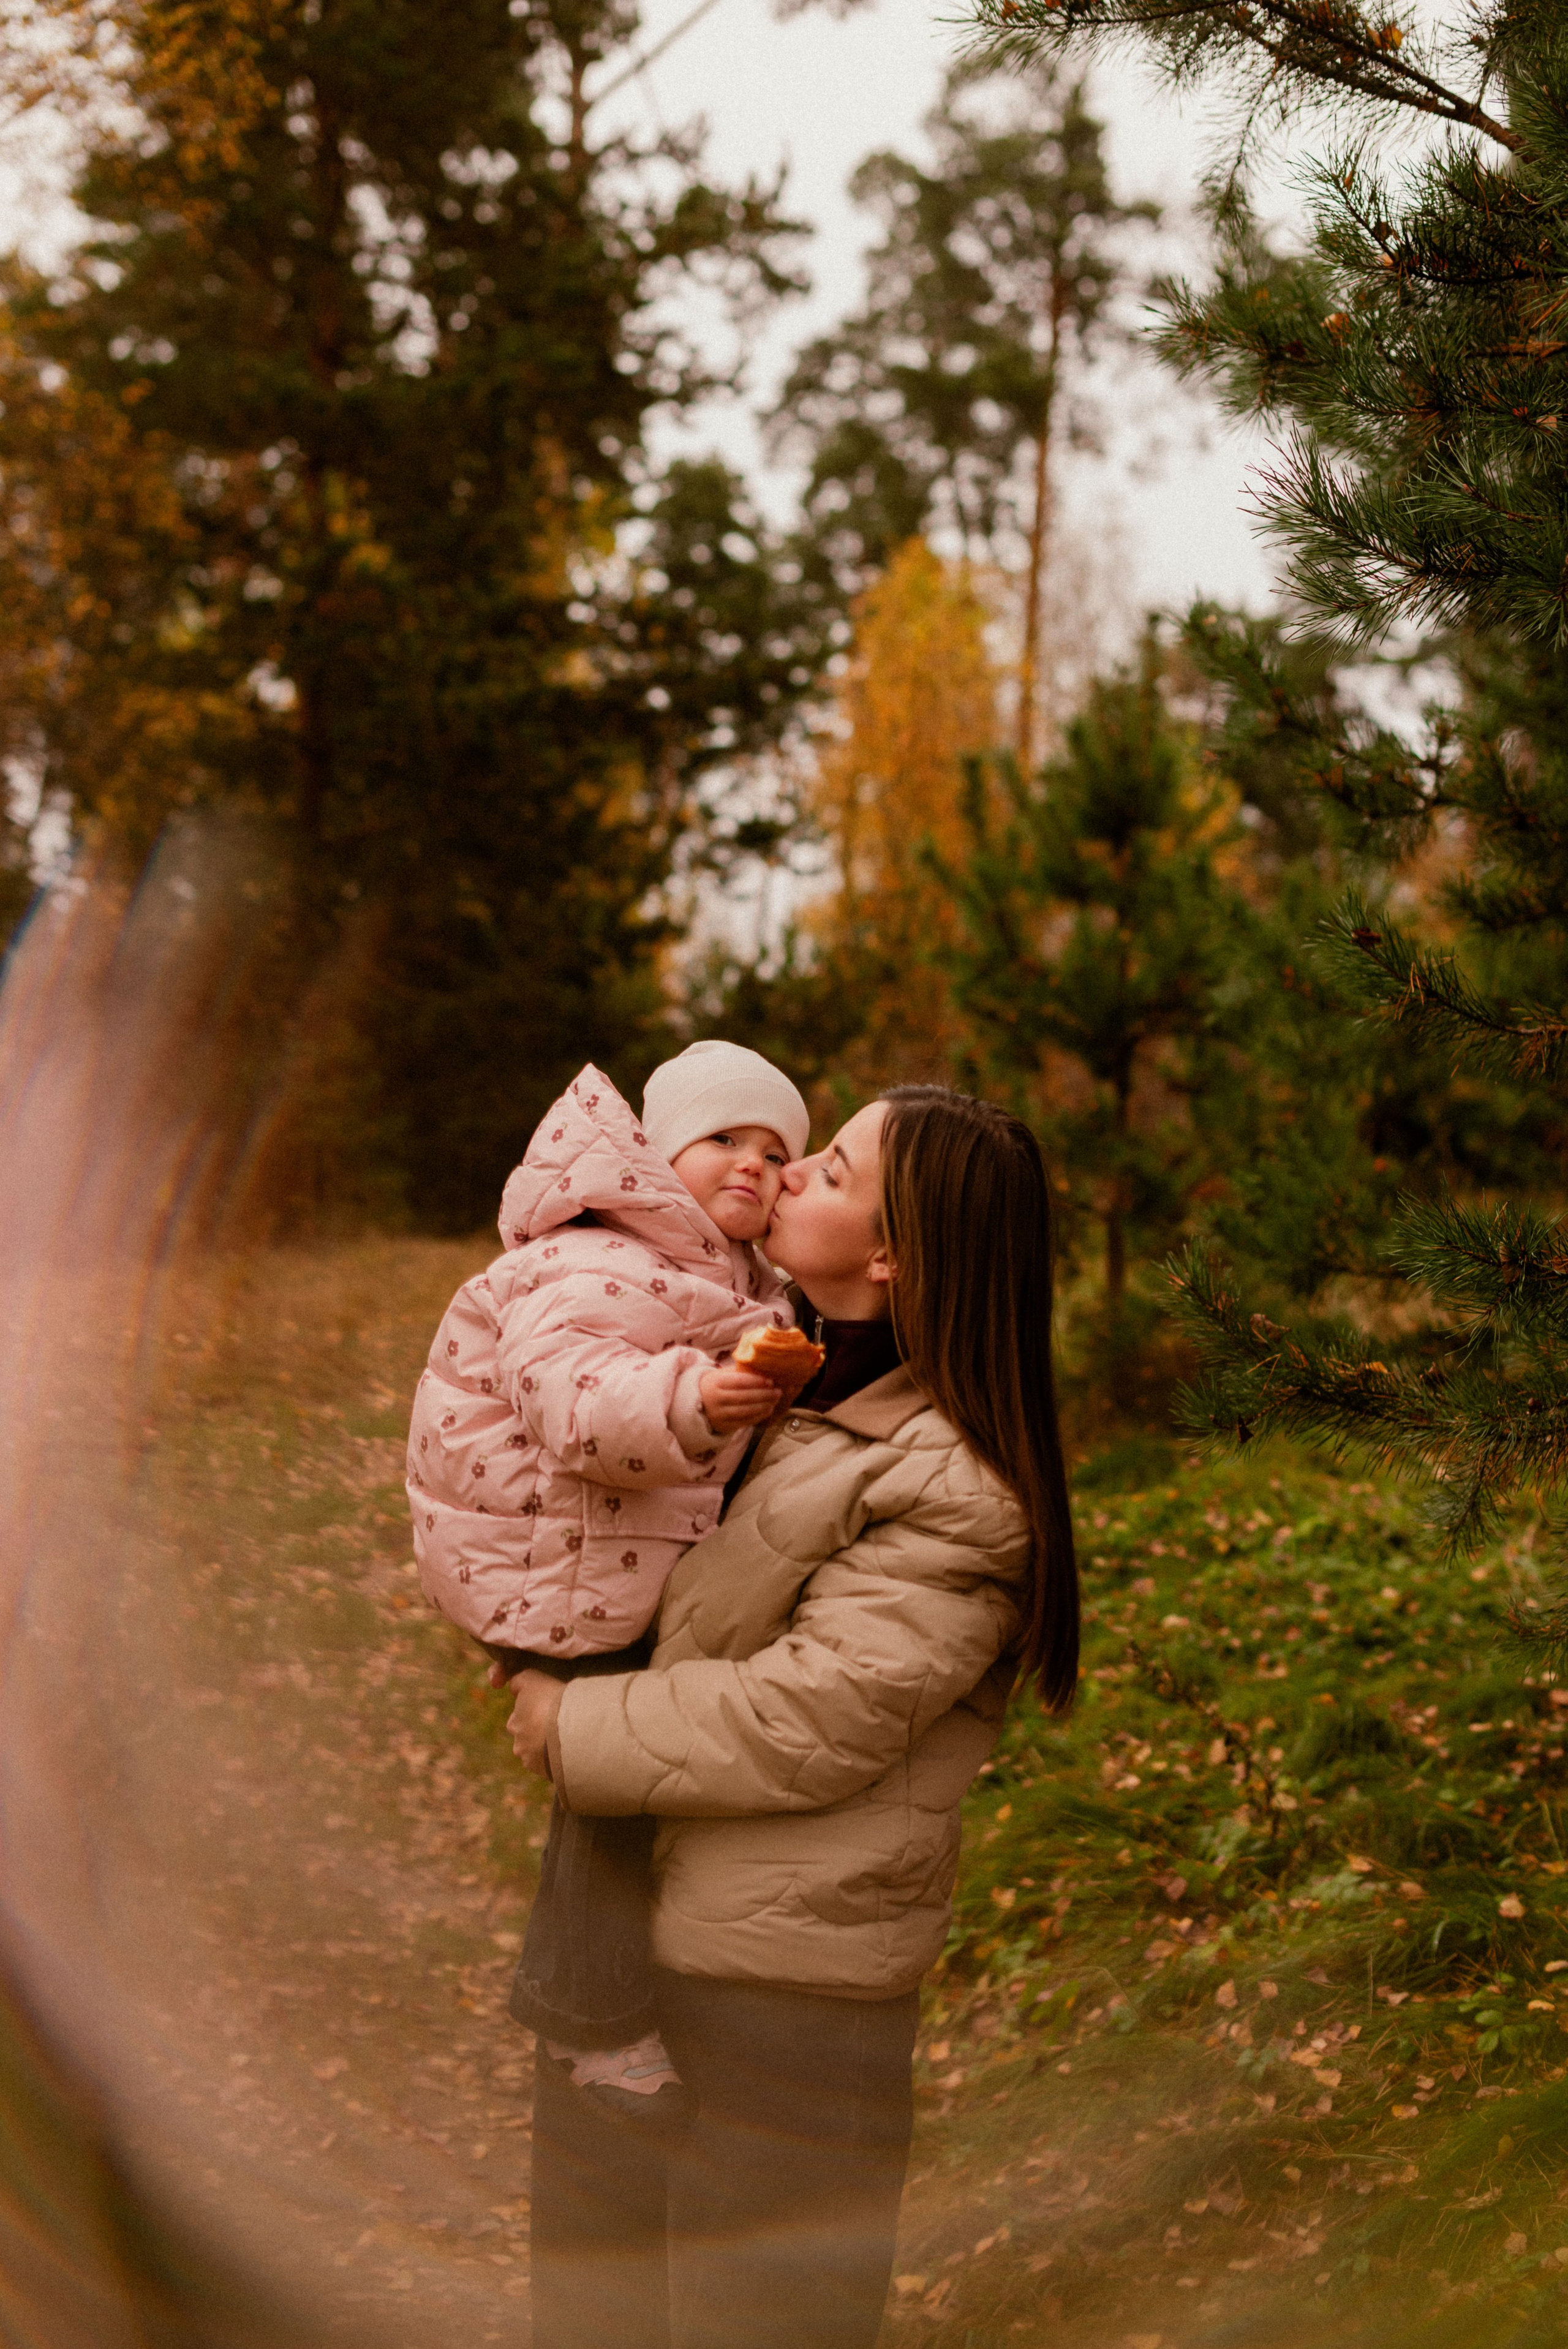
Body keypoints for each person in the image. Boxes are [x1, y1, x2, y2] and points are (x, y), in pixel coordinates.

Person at [505, 1084, 1080, 2349]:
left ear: (889, 1257)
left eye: (833, 1168)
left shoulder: (958, 1486)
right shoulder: (763, 1388)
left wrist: (573, 1730)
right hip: (623, 1957)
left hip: (783, 2012)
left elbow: (813, 1716)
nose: (790, 1170)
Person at [406, 1041, 810, 2124]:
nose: (755, 1166)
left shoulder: (722, 1271)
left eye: (778, 1153)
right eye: (725, 1139)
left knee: (634, 1765)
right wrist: (691, 1401)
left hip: (602, 1544)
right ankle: (590, 2021)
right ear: (657, 1151)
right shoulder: (594, 1257)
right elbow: (576, 1399)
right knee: (614, 1779)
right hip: (549, 1551)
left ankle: (606, 1993)